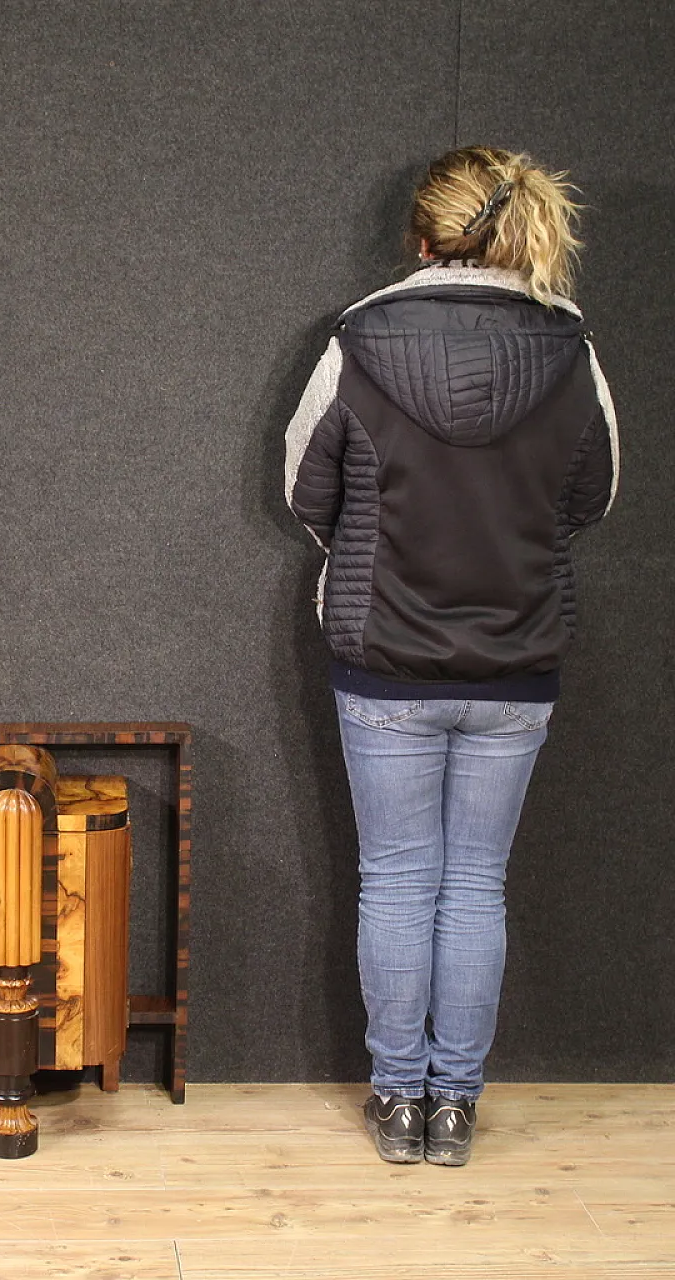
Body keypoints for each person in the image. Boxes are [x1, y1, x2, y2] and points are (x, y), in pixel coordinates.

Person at [283, 146, 618, 1166]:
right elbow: (591, 499)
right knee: (474, 882)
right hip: (515, 659)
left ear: (418, 235)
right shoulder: (573, 350)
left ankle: (396, 1102)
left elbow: (305, 492)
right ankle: (452, 1107)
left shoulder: (358, 337)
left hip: (381, 654)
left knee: (393, 878)